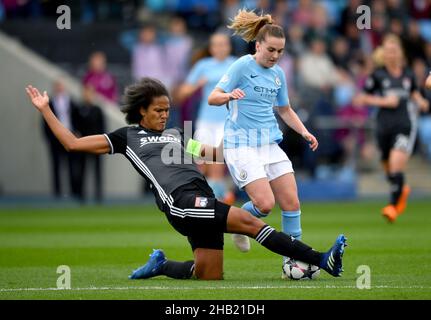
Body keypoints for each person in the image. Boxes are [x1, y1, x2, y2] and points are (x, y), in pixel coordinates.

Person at [26, 77, 346, 280]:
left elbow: (214, 154)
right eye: (158, 110)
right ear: (141, 111)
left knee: (209, 276)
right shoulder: (126, 137)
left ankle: (162, 265)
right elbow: (71, 143)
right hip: (181, 203)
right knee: (252, 225)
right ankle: (321, 259)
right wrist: (46, 109)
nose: (164, 115)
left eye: (167, 110)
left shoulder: (179, 134)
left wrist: (245, 136)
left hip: (200, 197)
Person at [207, 9, 318, 270]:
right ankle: (239, 222)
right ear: (258, 45)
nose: (275, 56)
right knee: (265, 205)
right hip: (241, 144)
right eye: (271, 50)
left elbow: (285, 110)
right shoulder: (242, 65)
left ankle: (293, 261)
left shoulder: (278, 75)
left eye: (280, 51)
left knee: (291, 202)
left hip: (269, 144)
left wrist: (304, 131)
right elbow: (213, 97)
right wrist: (229, 96)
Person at [355, 34, 429, 222]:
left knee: (396, 166)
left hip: (404, 124)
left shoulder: (408, 74)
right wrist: (383, 101)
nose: (391, 54)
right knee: (388, 167)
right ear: (383, 54)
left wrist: (421, 101)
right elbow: (361, 98)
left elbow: (413, 92)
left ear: (400, 53)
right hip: (383, 126)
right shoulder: (378, 75)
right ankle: (401, 190)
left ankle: (393, 207)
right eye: (388, 51)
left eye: (394, 51)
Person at [177, 32, 236, 205]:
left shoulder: (235, 65)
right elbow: (181, 94)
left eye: (223, 44)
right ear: (211, 48)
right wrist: (198, 84)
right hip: (204, 122)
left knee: (216, 167)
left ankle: (217, 207)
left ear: (229, 46)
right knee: (202, 165)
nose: (220, 48)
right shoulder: (203, 65)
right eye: (216, 44)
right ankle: (223, 201)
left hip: (226, 123)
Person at [42, 79, 84, 201]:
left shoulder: (71, 102)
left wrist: (76, 134)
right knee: (56, 166)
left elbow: (77, 119)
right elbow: (44, 122)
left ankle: (73, 193)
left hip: (69, 137)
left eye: (61, 86)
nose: (60, 88)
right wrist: (49, 138)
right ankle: (57, 194)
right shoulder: (49, 103)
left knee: (72, 166)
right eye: (58, 86)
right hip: (55, 140)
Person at [74, 85, 106, 202]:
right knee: (82, 170)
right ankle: (81, 196)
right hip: (83, 145)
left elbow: (103, 128)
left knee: (97, 170)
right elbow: (75, 127)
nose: (87, 96)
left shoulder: (97, 110)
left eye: (90, 93)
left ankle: (98, 195)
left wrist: (103, 143)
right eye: (86, 93)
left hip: (96, 145)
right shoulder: (78, 109)